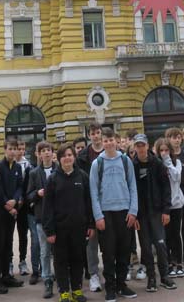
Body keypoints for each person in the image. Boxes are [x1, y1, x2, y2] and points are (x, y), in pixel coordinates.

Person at [89, 127, 138, 302]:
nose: (109, 143)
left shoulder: (125, 161)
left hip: (124, 212)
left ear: (116, 141)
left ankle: (121, 285)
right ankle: (110, 287)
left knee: (124, 251)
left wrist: (133, 211)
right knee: (108, 253)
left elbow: (133, 186)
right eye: (106, 140)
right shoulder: (97, 164)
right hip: (106, 213)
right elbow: (93, 192)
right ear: (102, 142)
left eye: (111, 140)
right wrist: (98, 216)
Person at [44, 143, 94, 302]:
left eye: (70, 155)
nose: (67, 158)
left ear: (74, 157)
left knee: (78, 259)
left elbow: (89, 202)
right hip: (59, 229)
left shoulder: (83, 176)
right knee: (61, 261)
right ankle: (64, 291)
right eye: (64, 155)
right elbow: (47, 207)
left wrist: (91, 224)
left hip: (79, 228)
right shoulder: (52, 179)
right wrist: (49, 231)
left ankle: (77, 290)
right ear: (59, 159)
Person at [132, 134, 177, 292]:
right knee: (145, 247)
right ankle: (151, 278)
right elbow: (130, 191)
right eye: (138, 145)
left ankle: (165, 276)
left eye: (142, 145)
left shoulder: (157, 163)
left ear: (147, 146)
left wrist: (166, 211)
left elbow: (166, 188)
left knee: (160, 244)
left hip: (157, 211)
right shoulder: (132, 165)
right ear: (134, 147)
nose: (140, 148)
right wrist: (134, 215)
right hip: (141, 214)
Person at [0, 138, 24, 294]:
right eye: (10, 148)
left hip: (12, 211)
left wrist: (15, 200)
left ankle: (6, 275)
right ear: (4, 149)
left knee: (8, 244)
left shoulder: (17, 167)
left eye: (15, 149)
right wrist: (7, 205)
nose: (12, 151)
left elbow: (20, 186)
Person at [75, 123, 105, 293]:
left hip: (108, 202)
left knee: (108, 242)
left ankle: (109, 272)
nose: (96, 136)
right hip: (90, 202)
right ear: (89, 136)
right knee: (91, 243)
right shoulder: (82, 157)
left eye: (98, 132)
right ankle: (93, 274)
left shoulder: (111, 152)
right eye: (92, 133)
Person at [27, 141, 58, 297]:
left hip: (59, 216)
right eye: (43, 150)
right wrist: (37, 194)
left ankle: (60, 275)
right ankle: (47, 279)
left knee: (58, 250)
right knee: (44, 251)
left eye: (49, 150)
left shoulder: (59, 169)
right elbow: (29, 195)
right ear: (38, 154)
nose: (46, 153)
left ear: (52, 153)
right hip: (41, 217)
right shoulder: (34, 173)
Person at [154, 137, 184, 277]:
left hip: (176, 203)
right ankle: (168, 263)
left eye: (166, 150)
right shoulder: (155, 164)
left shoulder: (176, 162)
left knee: (176, 234)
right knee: (165, 236)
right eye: (161, 150)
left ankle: (179, 262)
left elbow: (177, 177)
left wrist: (168, 163)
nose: (164, 153)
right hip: (162, 206)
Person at [16, 140, 37, 279]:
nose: (20, 151)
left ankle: (23, 261)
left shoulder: (28, 165)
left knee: (24, 234)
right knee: (10, 236)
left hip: (24, 206)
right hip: (12, 204)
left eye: (23, 148)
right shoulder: (10, 163)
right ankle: (11, 262)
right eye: (18, 148)